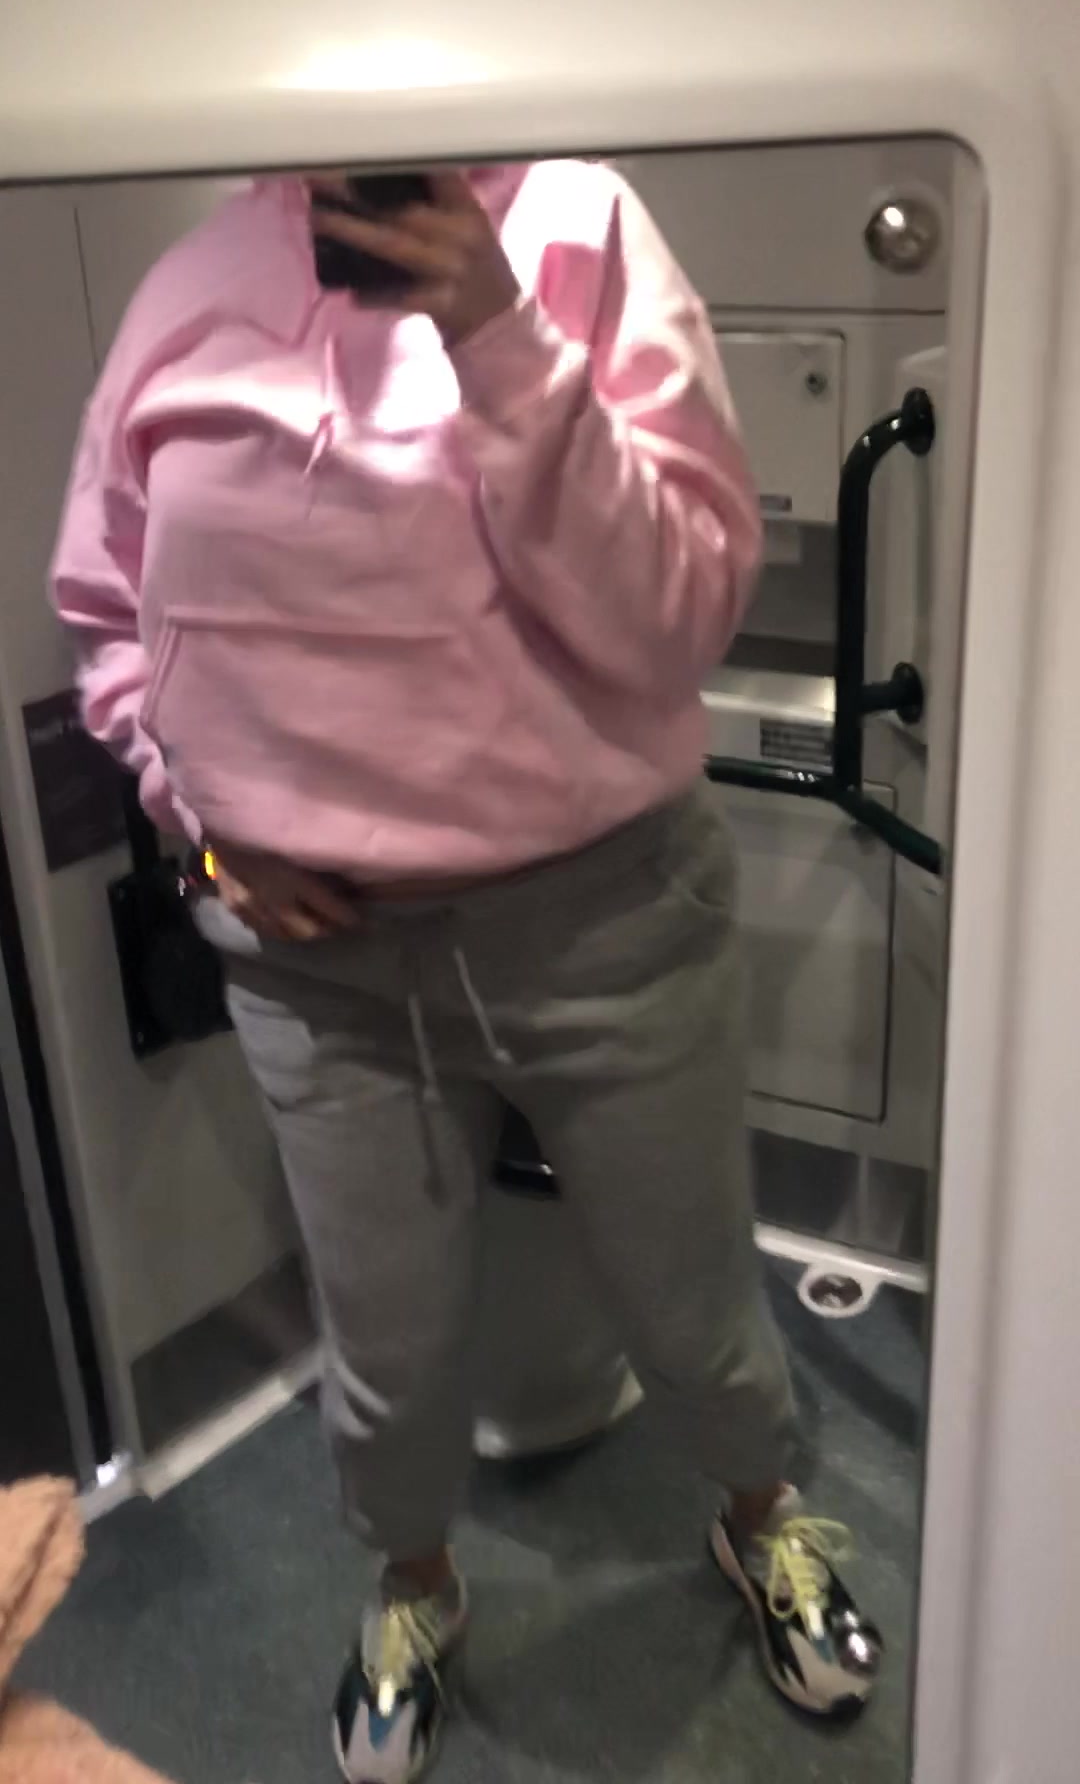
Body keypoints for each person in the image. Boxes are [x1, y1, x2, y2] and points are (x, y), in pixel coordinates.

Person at [51, 161, 881, 1783]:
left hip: (600, 917)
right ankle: (412, 1584)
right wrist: (199, 825)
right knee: (385, 1343)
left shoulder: (583, 227)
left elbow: (679, 613)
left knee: (688, 1295)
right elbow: (106, 605)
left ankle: (758, 1514)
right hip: (315, 957)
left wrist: (498, 332)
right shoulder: (192, 279)